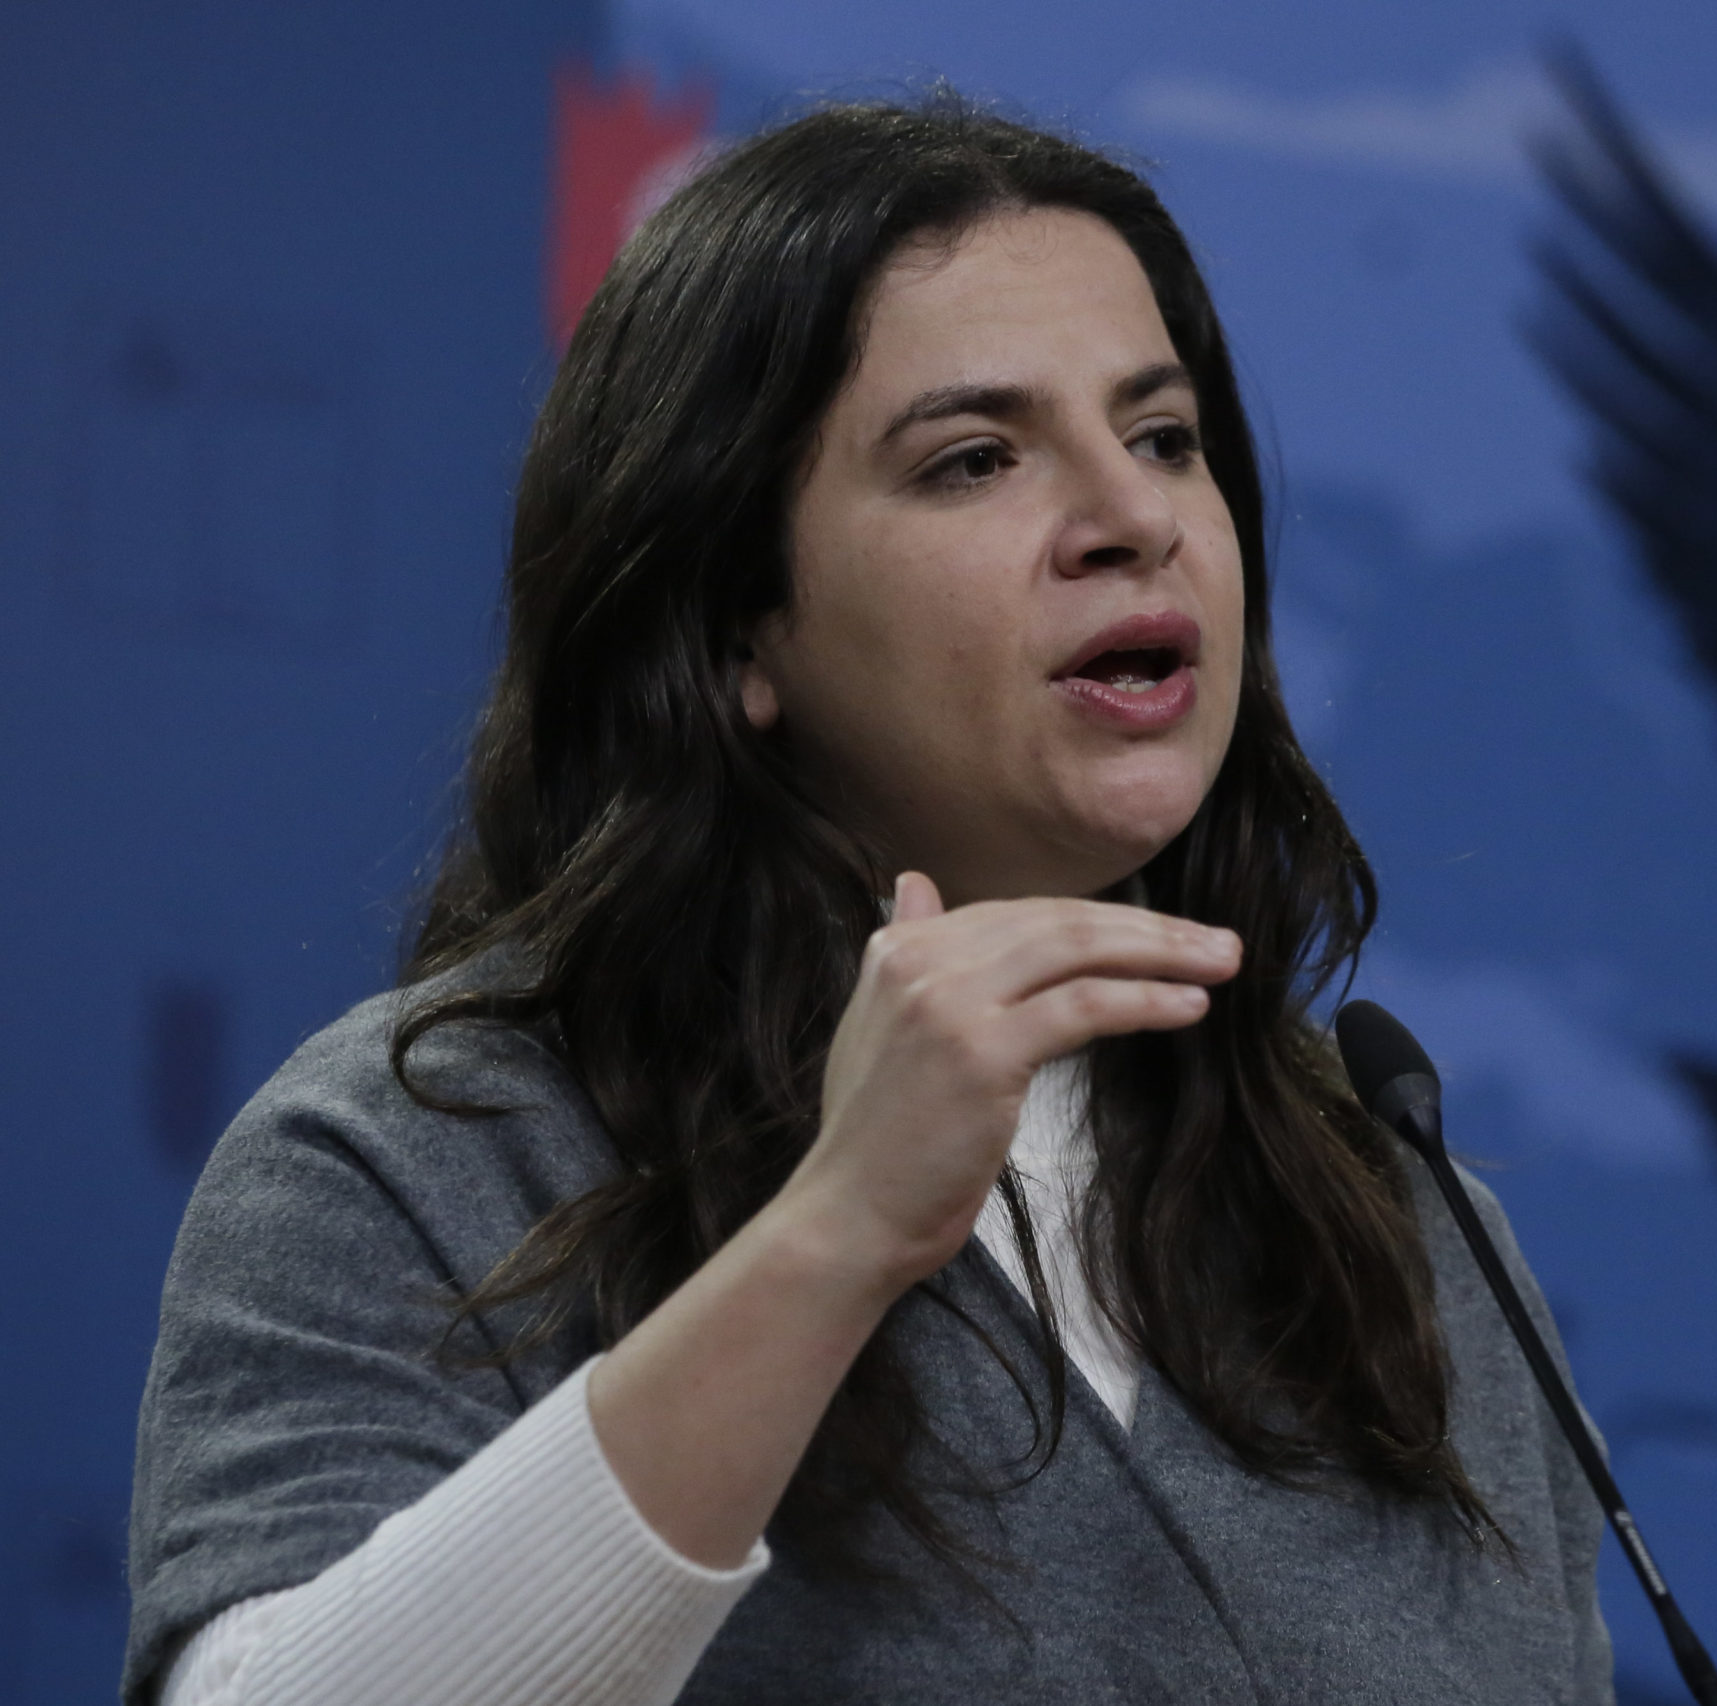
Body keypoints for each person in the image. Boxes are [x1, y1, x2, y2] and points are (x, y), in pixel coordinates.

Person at [124, 94, 1613, 1706]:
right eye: (975, 459)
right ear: (737, 627)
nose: (1134, 519)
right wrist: (837, 1232)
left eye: (1165, 437)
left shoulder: (1393, 1212)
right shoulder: (432, 1151)